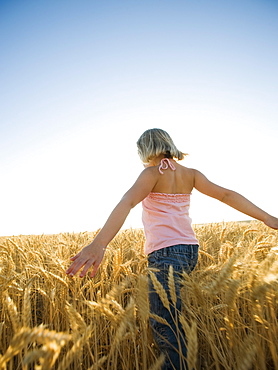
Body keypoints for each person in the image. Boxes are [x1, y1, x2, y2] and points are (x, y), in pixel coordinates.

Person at [66, 128, 278, 370]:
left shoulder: (152, 173)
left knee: (164, 323)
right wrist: (267, 217)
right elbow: (226, 195)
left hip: (166, 254)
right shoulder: (191, 174)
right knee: (174, 318)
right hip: (190, 252)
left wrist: (99, 243)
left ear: (144, 150)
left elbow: (128, 201)